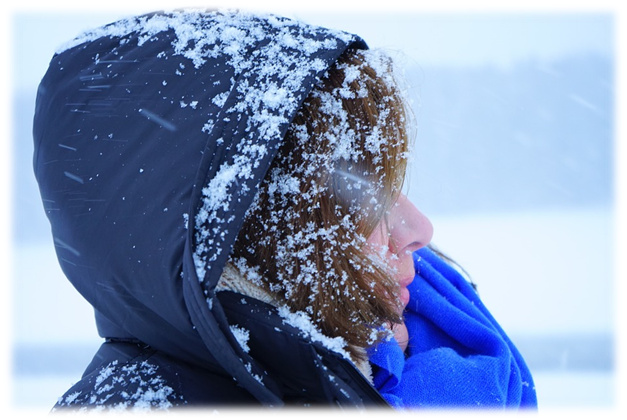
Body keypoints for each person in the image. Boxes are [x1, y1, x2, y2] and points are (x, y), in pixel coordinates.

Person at [32, 9, 537, 410]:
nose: (420, 230)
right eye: (363, 202)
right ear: (251, 244)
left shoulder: (426, 349)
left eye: (393, 187)